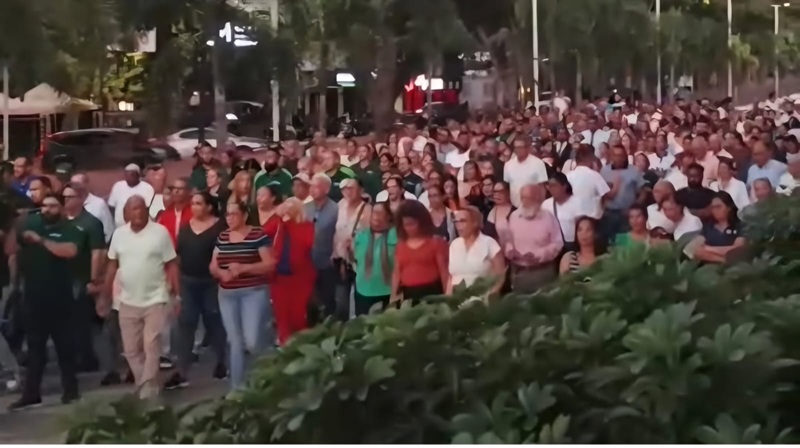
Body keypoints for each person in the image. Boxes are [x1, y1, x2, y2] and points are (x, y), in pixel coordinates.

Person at [7, 193, 81, 411]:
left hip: (60, 297)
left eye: (52, 206)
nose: (47, 209)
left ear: (61, 208)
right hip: (33, 297)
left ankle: (71, 390)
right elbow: (10, 250)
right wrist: (17, 224)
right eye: (44, 206)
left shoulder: (69, 228)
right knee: (35, 348)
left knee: (64, 347)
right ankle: (31, 394)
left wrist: (41, 240)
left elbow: (70, 251)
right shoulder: (30, 225)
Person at [101, 196, 179, 400]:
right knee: (131, 350)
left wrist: (177, 294)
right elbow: (112, 265)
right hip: (127, 300)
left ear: (146, 211)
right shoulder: (119, 235)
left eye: (141, 209)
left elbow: (171, 264)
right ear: (126, 214)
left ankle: (147, 390)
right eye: (133, 210)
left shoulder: (160, 233)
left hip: (156, 297)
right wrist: (105, 294)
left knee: (151, 345)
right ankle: (146, 383)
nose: (138, 213)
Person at [164, 192, 228, 390]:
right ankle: (182, 371)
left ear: (209, 207)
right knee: (186, 323)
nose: (194, 207)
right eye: (193, 203)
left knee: (214, 320)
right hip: (188, 282)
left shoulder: (220, 227)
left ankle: (223, 362)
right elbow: (178, 257)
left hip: (211, 282)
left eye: (199, 203)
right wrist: (174, 285)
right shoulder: (185, 229)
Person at [210, 202, 275, 391]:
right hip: (227, 294)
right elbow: (213, 265)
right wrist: (220, 273)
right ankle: (237, 389)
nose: (229, 218)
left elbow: (269, 264)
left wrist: (244, 268)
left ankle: (268, 369)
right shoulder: (222, 237)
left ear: (244, 216)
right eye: (227, 215)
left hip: (253, 292)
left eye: (233, 214)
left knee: (253, 340)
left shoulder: (257, 235)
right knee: (235, 341)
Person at [62, 184, 106, 373]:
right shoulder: (61, 221)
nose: (65, 201)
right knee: (67, 322)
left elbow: (98, 253)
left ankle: (88, 359)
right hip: (62, 278)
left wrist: (94, 279)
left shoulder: (91, 223)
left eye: (69, 197)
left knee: (81, 322)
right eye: (63, 197)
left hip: (81, 278)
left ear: (80, 198)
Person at [270, 198, 316, 343]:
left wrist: (289, 224)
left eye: (291, 207)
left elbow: (307, 245)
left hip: (301, 280)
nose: (287, 209)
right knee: (282, 317)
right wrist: (277, 216)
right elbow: (263, 231)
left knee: (298, 317)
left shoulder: (307, 226)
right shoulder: (279, 224)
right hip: (279, 279)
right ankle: (285, 348)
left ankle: (300, 350)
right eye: (286, 206)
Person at [505, 184, 563, 293]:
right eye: (522, 198)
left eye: (528, 198)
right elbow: (508, 240)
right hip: (519, 272)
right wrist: (510, 251)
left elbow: (558, 242)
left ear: (538, 199)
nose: (525, 202)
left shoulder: (548, 217)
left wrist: (539, 255)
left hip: (542, 272)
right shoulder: (513, 217)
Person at [392, 201, 448, 304]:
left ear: (422, 222)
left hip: (432, 293)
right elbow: (397, 272)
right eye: (406, 224)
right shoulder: (400, 246)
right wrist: (393, 296)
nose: (409, 228)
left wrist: (447, 297)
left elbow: (444, 272)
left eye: (412, 224)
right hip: (408, 295)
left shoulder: (436, 243)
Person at [446, 206, 505, 302]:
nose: (458, 225)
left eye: (463, 221)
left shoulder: (489, 243)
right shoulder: (454, 244)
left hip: (481, 301)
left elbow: (500, 275)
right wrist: (448, 300)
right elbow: (451, 276)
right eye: (456, 222)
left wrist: (490, 297)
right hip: (457, 302)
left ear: (474, 222)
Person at [332, 178, 371, 319]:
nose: (348, 191)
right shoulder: (338, 207)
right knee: (341, 302)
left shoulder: (367, 210)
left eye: (352, 188)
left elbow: (370, 235)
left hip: (359, 260)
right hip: (340, 260)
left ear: (361, 190)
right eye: (345, 189)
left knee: (360, 301)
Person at [352, 201, 397, 315]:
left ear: (389, 216)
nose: (376, 216)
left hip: (387, 292)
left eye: (380, 213)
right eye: (374, 212)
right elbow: (355, 259)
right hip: (363, 290)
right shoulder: (361, 236)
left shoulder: (396, 236)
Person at [305, 173, 339, 320]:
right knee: (309, 303)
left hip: (327, 263)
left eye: (316, 186)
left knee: (328, 302)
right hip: (306, 263)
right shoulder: (305, 208)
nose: (312, 189)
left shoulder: (336, 209)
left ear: (326, 189)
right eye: (310, 186)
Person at [600, 145, 645, 241]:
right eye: (615, 155)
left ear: (625, 156)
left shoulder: (634, 170)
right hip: (609, 214)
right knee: (609, 242)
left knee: (626, 242)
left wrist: (635, 207)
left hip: (627, 214)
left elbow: (643, 192)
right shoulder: (604, 171)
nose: (618, 158)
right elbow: (601, 194)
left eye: (621, 155)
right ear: (611, 156)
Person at [693, 191, 745, 264]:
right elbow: (697, 250)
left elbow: (737, 249)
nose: (715, 210)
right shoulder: (708, 227)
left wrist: (708, 249)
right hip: (709, 268)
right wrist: (724, 259)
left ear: (728, 208)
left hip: (734, 268)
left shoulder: (740, 226)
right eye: (713, 208)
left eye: (718, 207)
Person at [542, 173, 583, 253]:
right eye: (549, 186)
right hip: (553, 246)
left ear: (564, 186)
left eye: (554, 186)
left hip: (571, 245)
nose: (551, 189)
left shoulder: (577, 203)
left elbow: (581, 224)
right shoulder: (545, 204)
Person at [566, 145, 609, 220]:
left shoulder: (568, 176)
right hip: (592, 219)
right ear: (589, 161)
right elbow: (605, 196)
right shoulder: (595, 175)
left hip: (572, 217)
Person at [70, 173, 115, 242]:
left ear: (86, 184)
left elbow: (108, 228)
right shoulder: (68, 203)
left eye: (78, 185)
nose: (76, 188)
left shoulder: (99, 203)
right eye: (73, 185)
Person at [503, 138, 548, 208]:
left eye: (520, 147)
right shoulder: (508, 164)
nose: (517, 150)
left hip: (533, 206)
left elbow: (542, 187)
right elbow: (507, 187)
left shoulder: (538, 163)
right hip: (514, 206)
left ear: (527, 148)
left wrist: (541, 205)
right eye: (515, 147)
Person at [157, 178, 193, 246]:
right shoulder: (166, 213)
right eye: (174, 188)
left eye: (180, 189)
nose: (176, 191)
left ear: (188, 191)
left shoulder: (195, 210)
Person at [484, 181, 515, 245]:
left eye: (501, 192)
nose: (497, 195)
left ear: (508, 193)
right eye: (495, 192)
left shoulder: (515, 212)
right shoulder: (491, 212)